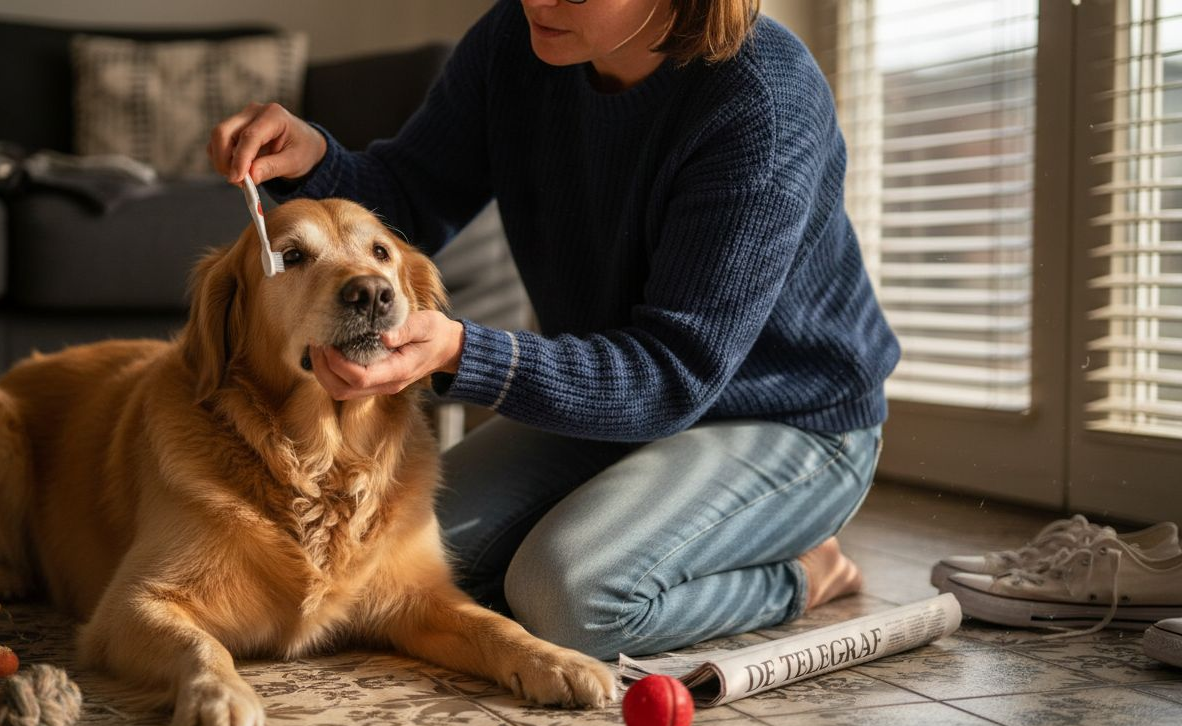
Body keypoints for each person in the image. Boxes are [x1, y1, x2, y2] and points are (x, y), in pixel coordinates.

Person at [206, 0, 900, 660]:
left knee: (568, 597)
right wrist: (314, 157)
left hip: (788, 420)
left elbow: (673, 374)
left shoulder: (761, 103)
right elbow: (411, 192)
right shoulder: (515, 41)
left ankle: (805, 574)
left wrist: (457, 350)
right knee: (385, 570)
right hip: (608, 403)